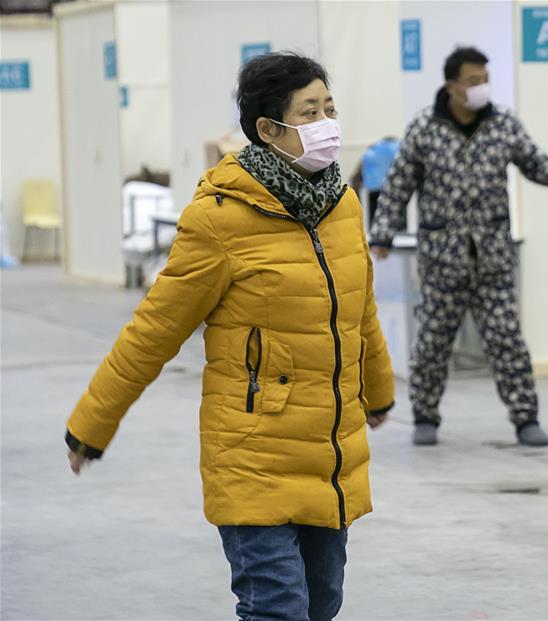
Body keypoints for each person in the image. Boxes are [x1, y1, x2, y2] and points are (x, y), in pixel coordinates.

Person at [64, 52, 395, 620]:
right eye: (309, 112)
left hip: (329, 453)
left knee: (322, 603)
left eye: (330, 109)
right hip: (251, 453)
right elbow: (153, 331)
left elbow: (360, 313)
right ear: (268, 129)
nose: (326, 124)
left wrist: (379, 392)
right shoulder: (220, 218)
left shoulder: (342, 205)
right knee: (277, 607)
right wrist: (91, 425)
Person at [369, 46, 548, 447]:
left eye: (485, 80)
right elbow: (398, 185)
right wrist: (382, 234)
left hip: (493, 259)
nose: (481, 87)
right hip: (442, 260)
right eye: (472, 81)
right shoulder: (425, 127)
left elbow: (533, 160)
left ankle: (526, 418)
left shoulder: (502, 123)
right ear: (451, 86)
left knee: (507, 340)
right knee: (432, 343)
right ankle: (425, 417)